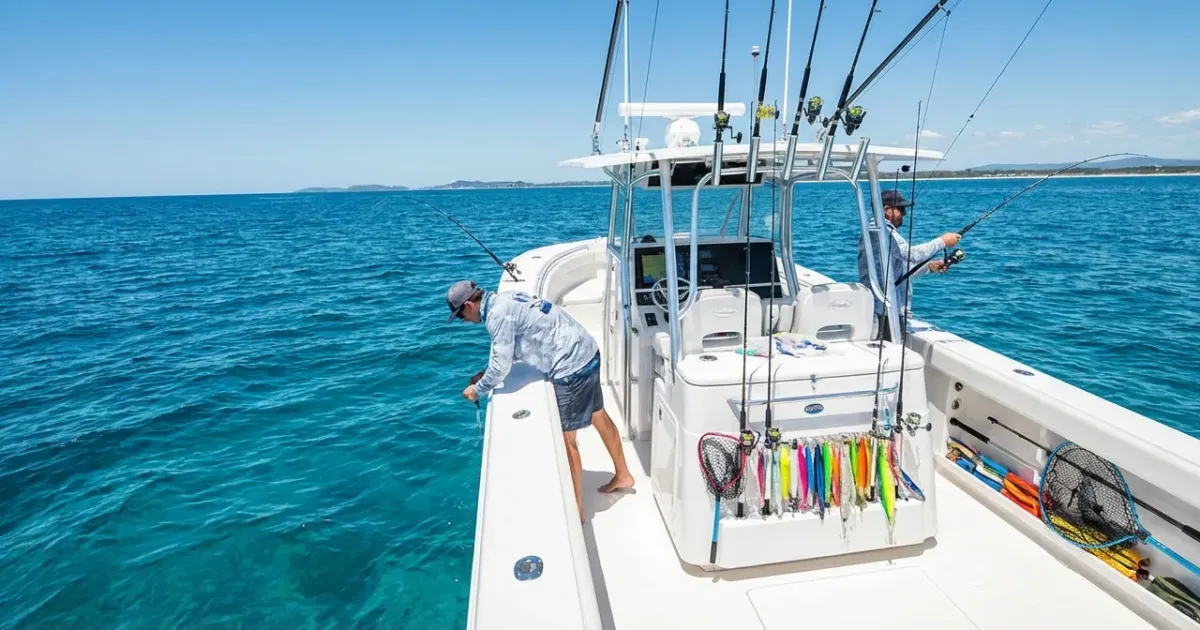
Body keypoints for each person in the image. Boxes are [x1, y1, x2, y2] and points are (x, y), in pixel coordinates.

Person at [447, 280, 634, 522]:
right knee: (598, 413)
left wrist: (477, 389)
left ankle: (576, 513)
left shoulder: (496, 316)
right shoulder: (507, 298)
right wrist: (485, 373)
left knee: (568, 442)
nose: (463, 321)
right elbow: (513, 346)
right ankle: (623, 475)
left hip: (571, 367)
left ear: (469, 305)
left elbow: (501, 367)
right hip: (586, 350)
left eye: (460, 316)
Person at [857, 189, 962, 317]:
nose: (905, 213)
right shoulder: (882, 233)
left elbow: (896, 271)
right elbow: (913, 254)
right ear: (887, 210)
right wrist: (943, 241)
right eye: (901, 209)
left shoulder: (876, 231)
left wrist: (929, 267)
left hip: (882, 310)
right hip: (887, 313)